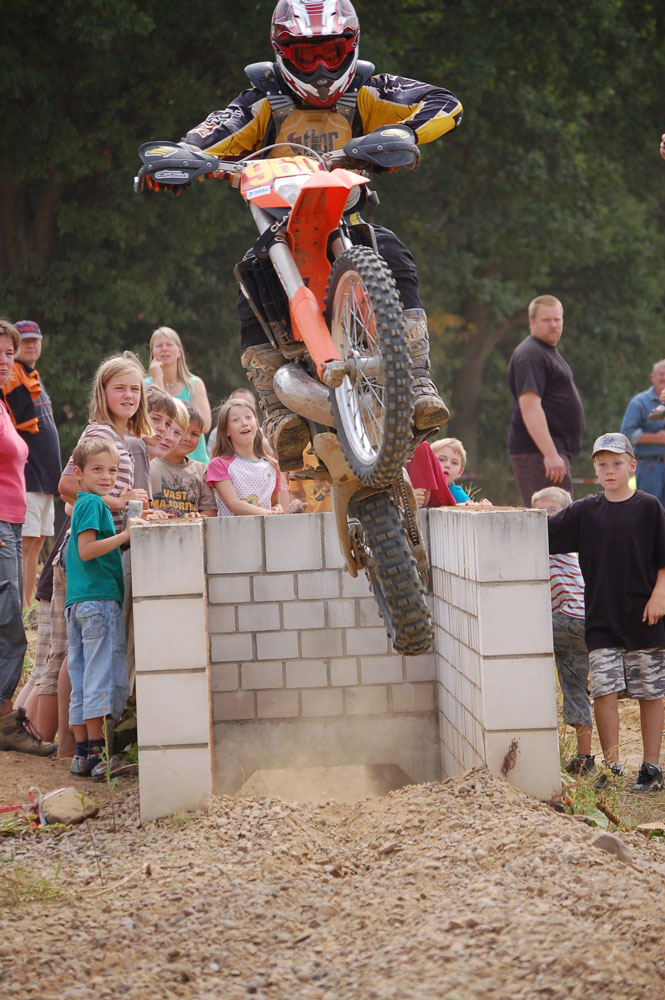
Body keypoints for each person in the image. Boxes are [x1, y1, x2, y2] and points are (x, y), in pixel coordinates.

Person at [173, 0, 462, 469]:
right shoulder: (261, 101)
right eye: (307, 56)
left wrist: (401, 135)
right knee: (251, 278)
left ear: (352, 46)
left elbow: (444, 104)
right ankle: (276, 410)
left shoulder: (370, 89)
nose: (323, 66)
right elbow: (208, 134)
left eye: (332, 51)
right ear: (282, 51)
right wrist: (181, 159)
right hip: (280, 225)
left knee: (391, 251)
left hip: (346, 219)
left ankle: (420, 381)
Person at [547, 433, 665, 792]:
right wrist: (496, 514)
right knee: (604, 691)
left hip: (646, 615)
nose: (609, 470)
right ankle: (612, 766)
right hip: (601, 617)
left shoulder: (649, 507)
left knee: (650, 692)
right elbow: (544, 529)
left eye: (617, 463)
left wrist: (660, 596)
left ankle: (651, 767)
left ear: (632, 465)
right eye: (602, 464)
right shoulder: (585, 511)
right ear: (594, 469)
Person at [65, 437, 144, 779]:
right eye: (97, 469)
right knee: (98, 677)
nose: (106, 476)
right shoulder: (94, 505)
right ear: (79, 473)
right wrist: (127, 535)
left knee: (81, 678)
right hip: (98, 602)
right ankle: (99, 757)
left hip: (79, 603)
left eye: (112, 470)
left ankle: (82, 754)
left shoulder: (82, 505)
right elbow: (87, 550)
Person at [0, 318, 54, 755]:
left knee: (9, 621)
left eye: (7, 353)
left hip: (12, 521)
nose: (5, 360)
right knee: (9, 624)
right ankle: (3, 720)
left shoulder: (5, 401)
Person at [532, 486, 593, 775]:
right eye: (538, 513)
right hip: (584, 623)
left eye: (551, 514)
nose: (545, 520)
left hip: (567, 619)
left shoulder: (549, 542)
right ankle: (585, 757)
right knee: (576, 688)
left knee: (516, 639)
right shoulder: (570, 544)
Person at [1, 321, 62, 607]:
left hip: (45, 476)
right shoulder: (13, 374)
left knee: (36, 542)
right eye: (23, 342)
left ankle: (27, 604)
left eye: (34, 340)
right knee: (26, 543)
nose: (30, 346)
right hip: (28, 474)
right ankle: (22, 606)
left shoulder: (30, 374)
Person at [507, 295, 584, 507]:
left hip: (551, 451)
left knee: (562, 518)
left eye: (557, 319)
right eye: (546, 320)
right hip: (538, 453)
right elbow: (530, 407)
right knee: (548, 521)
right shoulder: (530, 354)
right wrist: (550, 454)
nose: (554, 325)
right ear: (532, 322)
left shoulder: (546, 352)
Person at [207, 398, 286, 516]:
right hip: (233, 533)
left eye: (248, 417)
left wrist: (277, 509)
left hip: (265, 532)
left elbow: (275, 503)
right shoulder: (218, 464)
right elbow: (233, 504)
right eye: (236, 420)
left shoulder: (272, 465)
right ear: (226, 430)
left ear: (256, 424)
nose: (244, 423)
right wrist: (268, 513)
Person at [146, 326, 212, 464]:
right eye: (159, 346)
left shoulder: (194, 384)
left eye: (169, 344)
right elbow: (146, 424)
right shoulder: (144, 385)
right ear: (153, 353)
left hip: (195, 463)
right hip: (158, 463)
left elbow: (205, 426)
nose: (164, 349)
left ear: (179, 352)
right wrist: (158, 379)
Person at [151, 403, 217, 517]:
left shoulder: (201, 470)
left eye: (195, 434)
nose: (188, 438)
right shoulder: (149, 463)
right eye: (182, 432)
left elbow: (210, 511)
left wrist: (197, 517)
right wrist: (153, 513)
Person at [620, 359, 665, 506]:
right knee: (651, 511)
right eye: (661, 374)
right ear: (653, 377)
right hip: (650, 467)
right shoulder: (639, 402)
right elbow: (626, 433)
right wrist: (656, 438)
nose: (664, 378)